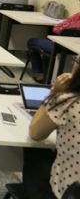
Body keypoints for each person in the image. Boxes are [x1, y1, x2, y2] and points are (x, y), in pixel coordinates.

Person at [28, 58, 80, 198]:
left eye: (75, 60)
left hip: (65, 194)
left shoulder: (67, 102)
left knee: (33, 150)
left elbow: (35, 132)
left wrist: (54, 92)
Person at [26, 11, 80, 83]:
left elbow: (56, 28)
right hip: (75, 51)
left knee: (32, 41)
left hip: (59, 47)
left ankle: (41, 75)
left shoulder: (78, 16)